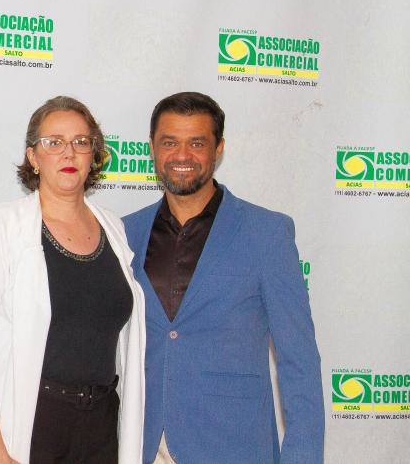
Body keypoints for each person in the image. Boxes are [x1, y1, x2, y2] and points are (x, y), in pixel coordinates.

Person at [123, 92, 324, 464]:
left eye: (197, 143)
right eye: (170, 142)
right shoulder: (124, 233)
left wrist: (303, 456)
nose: (182, 155)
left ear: (219, 149)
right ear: (152, 148)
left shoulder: (267, 233)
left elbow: (299, 360)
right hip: (142, 446)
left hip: (233, 446)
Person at [0, 96, 145, 464]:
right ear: (33, 157)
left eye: (81, 142)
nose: (69, 153)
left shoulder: (114, 228)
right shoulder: (3, 225)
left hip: (101, 429)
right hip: (29, 427)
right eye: (54, 142)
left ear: (94, 155)